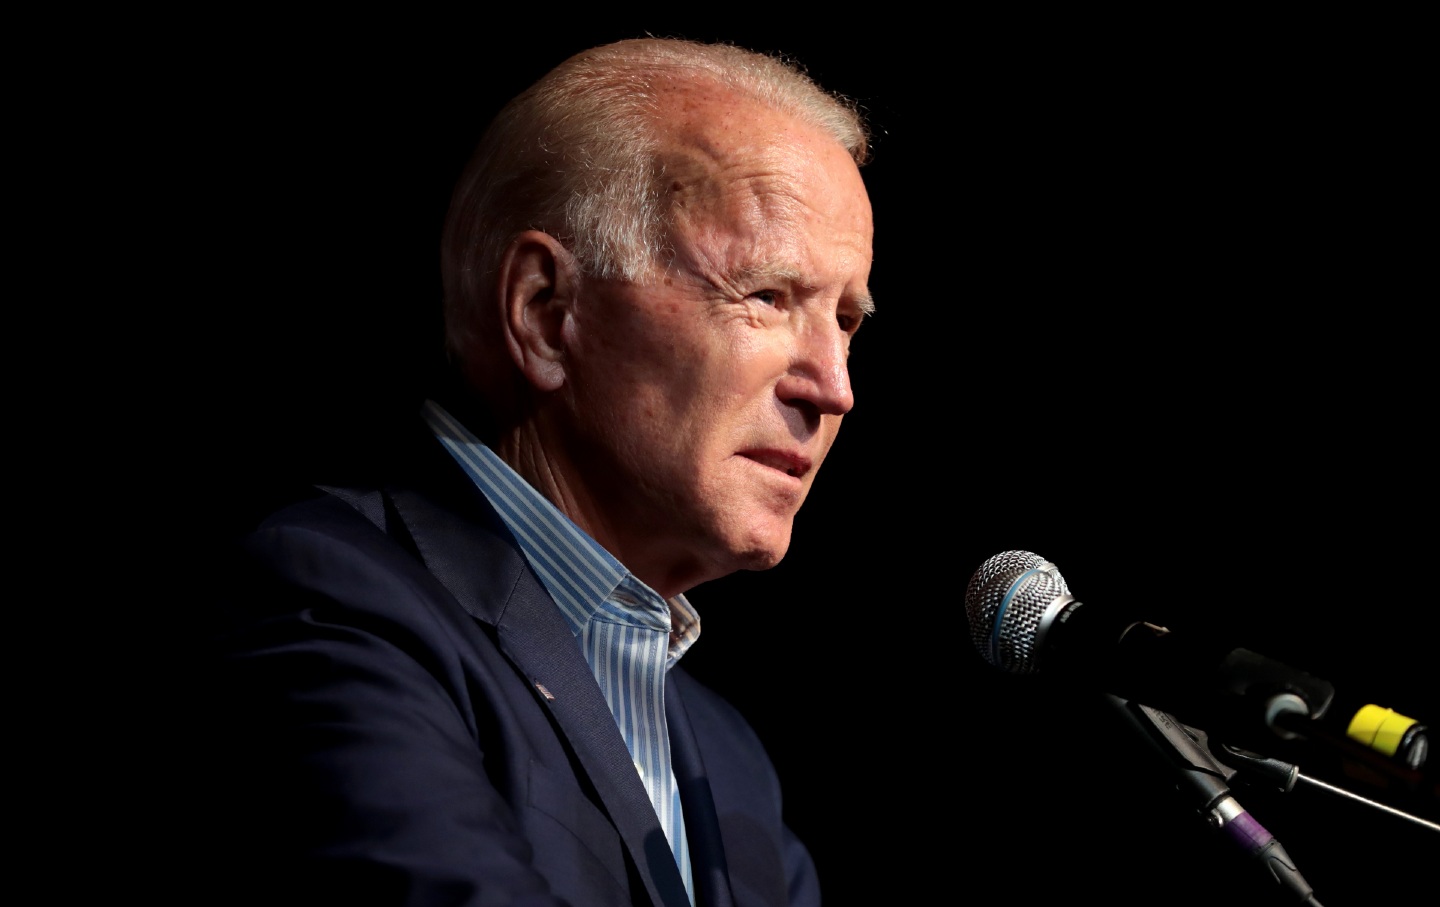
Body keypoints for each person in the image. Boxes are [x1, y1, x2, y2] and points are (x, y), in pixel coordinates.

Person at [196, 36, 874, 907]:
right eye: (768, 296)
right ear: (548, 314)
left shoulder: (731, 767)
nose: (834, 388)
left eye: (847, 320)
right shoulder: (331, 601)